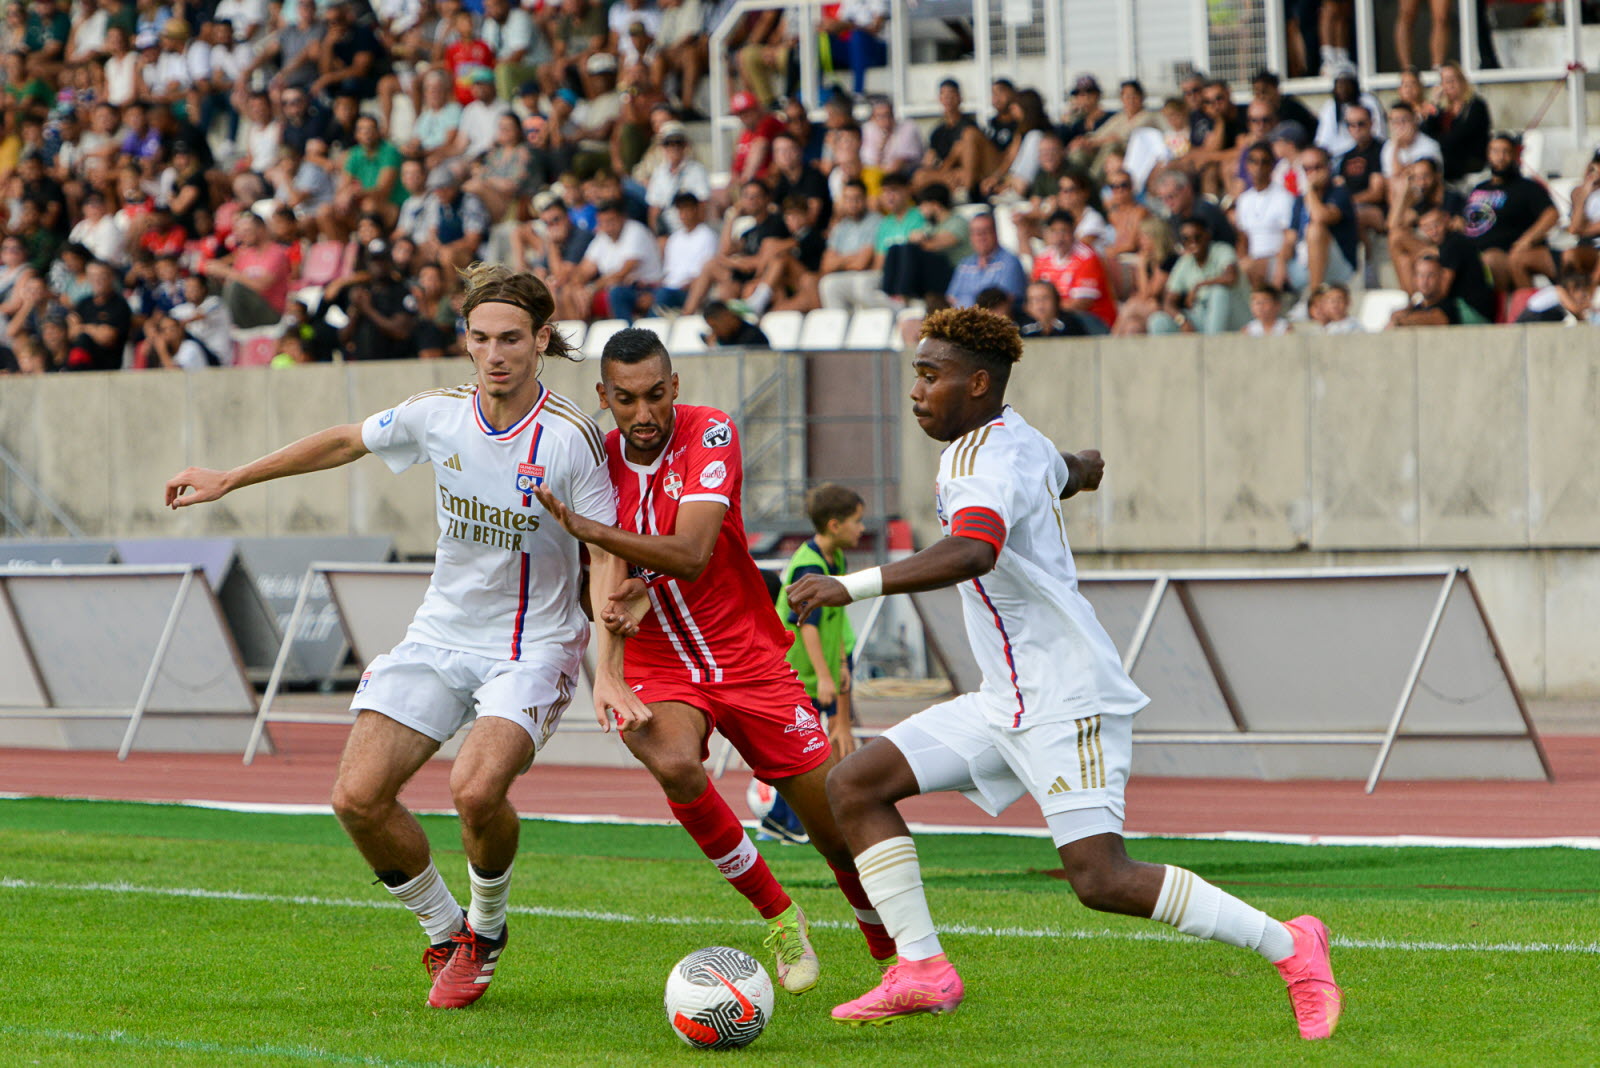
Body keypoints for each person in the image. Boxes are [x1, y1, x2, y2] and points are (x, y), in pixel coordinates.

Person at [786, 307, 1341, 1037]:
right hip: (1004, 700)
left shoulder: (980, 461)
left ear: (978, 383)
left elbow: (975, 550)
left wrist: (850, 585)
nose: (916, 391)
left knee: (1100, 878)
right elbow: (1065, 469)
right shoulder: (1016, 437)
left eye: (931, 376)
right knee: (854, 784)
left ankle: (1291, 944)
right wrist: (1082, 466)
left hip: (1066, 697)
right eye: (915, 375)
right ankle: (921, 969)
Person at [162, 264, 647, 1010]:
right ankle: (447, 931)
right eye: (481, 338)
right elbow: (342, 442)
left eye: (512, 339)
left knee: (475, 790)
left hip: (533, 644)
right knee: (356, 798)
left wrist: (607, 671)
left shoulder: (570, 437)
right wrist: (232, 477)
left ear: (542, 339)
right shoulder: (437, 414)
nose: (495, 354)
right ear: (466, 341)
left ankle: (485, 931)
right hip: (440, 635)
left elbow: (607, 550)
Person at [532, 327, 899, 995]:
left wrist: (596, 538)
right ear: (603, 396)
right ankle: (782, 917)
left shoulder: (712, 433)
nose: (643, 415)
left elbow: (694, 550)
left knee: (835, 829)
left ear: (675, 387)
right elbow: (605, 573)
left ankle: (891, 954)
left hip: (748, 655)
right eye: (625, 399)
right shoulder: (591, 456)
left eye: (654, 396)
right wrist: (609, 656)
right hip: (661, 662)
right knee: (670, 759)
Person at [775, 483, 864, 759]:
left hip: (827, 666)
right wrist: (826, 678)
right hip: (802, 675)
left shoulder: (836, 558)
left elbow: (834, 621)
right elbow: (807, 624)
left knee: (841, 738)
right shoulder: (809, 566)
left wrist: (839, 664)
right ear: (835, 525)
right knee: (802, 754)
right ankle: (779, 802)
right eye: (857, 521)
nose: (862, 528)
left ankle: (837, 798)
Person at [1463, 134, 1557, 292]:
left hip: (1504, 253)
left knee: (1490, 259)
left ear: (1515, 155)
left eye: (1505, 152)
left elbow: (1551, 214)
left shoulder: (1527, 187)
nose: (1500, 157)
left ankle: (1505, 312)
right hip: (1474, 251)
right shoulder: (1478, 188)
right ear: (1488, 155)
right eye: (1495, 151)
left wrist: (1526, 241)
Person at [1151, 216, 1248, 335]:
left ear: (1207, 235)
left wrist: (1199, 285)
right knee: (1158, 321)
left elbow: (1231, 277)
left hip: (1233, 316)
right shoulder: (1185, 262)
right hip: (1203, 317)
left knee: (1218, 292)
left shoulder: (1222, 250)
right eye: (1186, 239)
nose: (1193, 242)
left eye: (1197, 237)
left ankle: (1212, 346)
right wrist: (1182, 321)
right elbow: (1168, 302)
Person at [1422, 61, 1490, 184]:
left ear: (1462, 81)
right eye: (1446, 81)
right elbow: (1425, 132)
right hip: (1447, 160)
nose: (1451, 85)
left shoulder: (1476, 106)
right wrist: (1434, 104)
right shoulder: (1442, 110)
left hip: (1470, 160)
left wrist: (1437, 141)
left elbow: (1460, 136)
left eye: (1454, 80)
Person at [1387, 251, 1457, 327]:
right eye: (1421, 275)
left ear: (1440, 278)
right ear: (1415, 279)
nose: (1425, 281)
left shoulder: (1449, 305)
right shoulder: (1416, 306)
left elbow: (1437, 318)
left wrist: (1401, 321)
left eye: (1430, 275)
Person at [1515, 269, 1596, 325]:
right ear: (1572, 288)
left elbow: (1580, 318)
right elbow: (1575, 309)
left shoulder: (1561, 303)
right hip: (1529, 319)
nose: (1583, 299)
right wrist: (1592, 306)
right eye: (1584, 295)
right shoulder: (1558, 290)